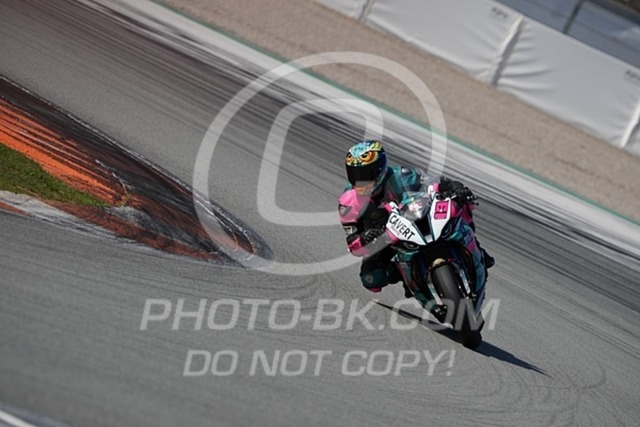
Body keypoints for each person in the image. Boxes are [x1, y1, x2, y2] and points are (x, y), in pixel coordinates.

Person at [338, 140, 494, 295]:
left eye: (365, 174)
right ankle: (407, 277)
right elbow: (353, 244)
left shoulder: (402, 175)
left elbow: (436, 183)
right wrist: (364, 238)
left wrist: (455, 188)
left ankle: (475, 246)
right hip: (384, 239)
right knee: (370, 279)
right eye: (354, 174)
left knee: (459, 202)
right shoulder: (348, 203)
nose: (360, 180)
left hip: (413, 221)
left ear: (379, 168)